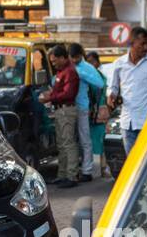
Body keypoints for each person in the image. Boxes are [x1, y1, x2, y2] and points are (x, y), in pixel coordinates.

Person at [107, 26, 147, 156]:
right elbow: (113, 88)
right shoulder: (119, 64)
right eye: (142, 44)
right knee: (132, 161)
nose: (145, 48)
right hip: (127, 123)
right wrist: (111, 96)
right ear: (131, 44)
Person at [38, 43, 80, 188]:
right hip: (60, 110)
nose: (53, 64)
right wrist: (50, 95)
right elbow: (58, 92)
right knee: (61, 144)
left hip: (67, 110)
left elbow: (68, 94)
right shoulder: (61, 72)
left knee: (68, 144)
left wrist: (49, 98)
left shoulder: (70, 72)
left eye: (55, 61)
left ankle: (72, 176)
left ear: (63, 58)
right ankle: (62, 175)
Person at [69, 42, 104, 183]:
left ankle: (87, 171)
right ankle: (74, 169)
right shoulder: (69, 65)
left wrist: (80, 74)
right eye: (71, 57)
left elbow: (100, 83)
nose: (73, 60)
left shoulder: (86, 68)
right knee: (71, 141)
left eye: (75, 57)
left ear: (79, 56)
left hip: (82, 107)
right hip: (69, 107)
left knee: (85, 139)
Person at [84, 51, 112, 178]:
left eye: (91, 62)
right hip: (95, 113)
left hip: (97, 113)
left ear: (97, 62)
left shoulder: (96, 77)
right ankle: (101, 167)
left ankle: (100, 168)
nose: (90, 65)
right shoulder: (95, 75)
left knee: (97, 140)